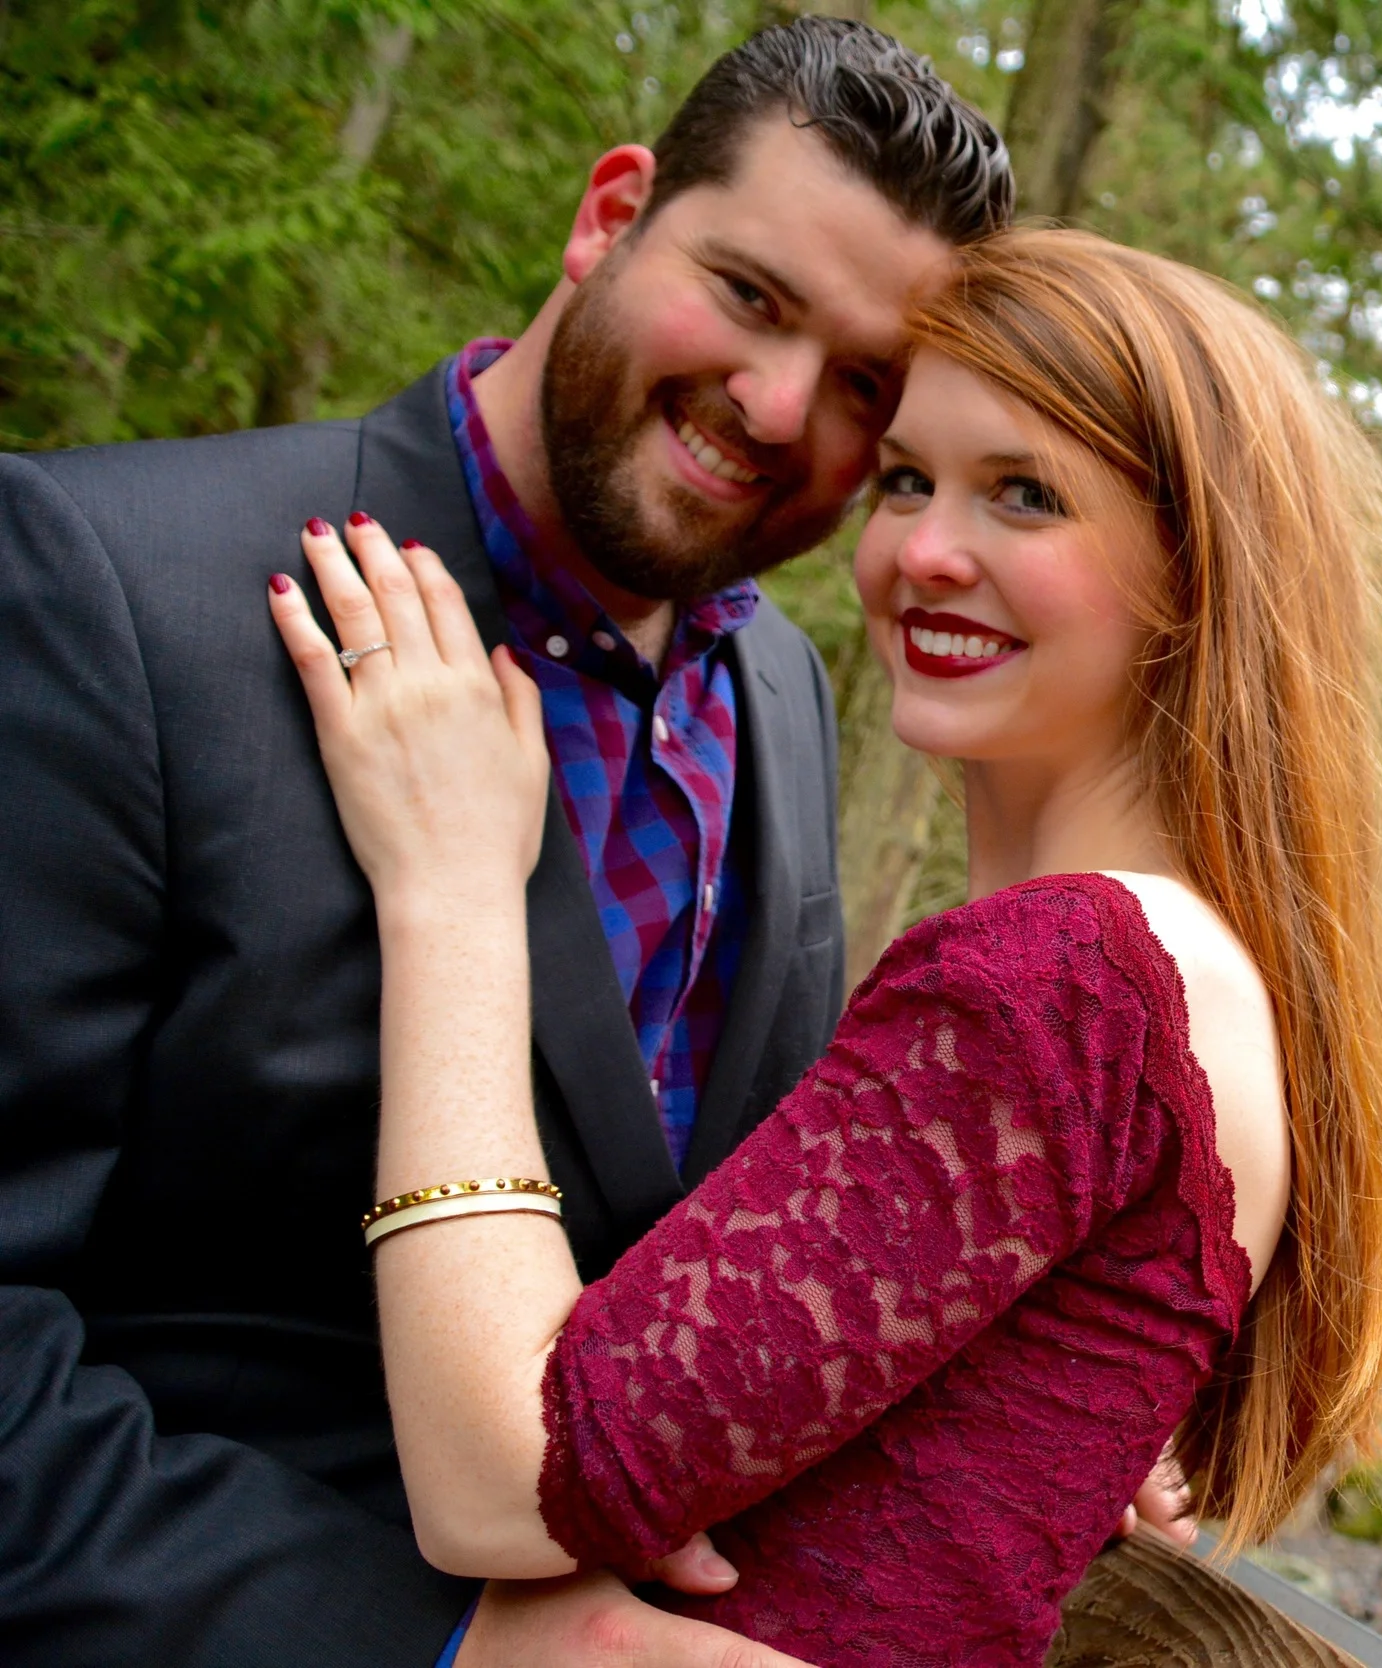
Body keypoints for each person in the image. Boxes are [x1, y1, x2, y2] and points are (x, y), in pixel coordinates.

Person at [0, 20, 1187, 1667]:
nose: (775, 406)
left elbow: (738, 1276)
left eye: (862, 385)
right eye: (750, 295)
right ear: (611, 212)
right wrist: (451, 1649)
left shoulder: (784, 693)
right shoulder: (112, 590)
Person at [265, 226, 1382, 1665]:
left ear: (1198, 566)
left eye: (1024, 494)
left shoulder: (1067, 977)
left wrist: (452, 891)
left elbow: (506, 1485)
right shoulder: (1180, 971)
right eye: (905, 480)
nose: (924, 553)